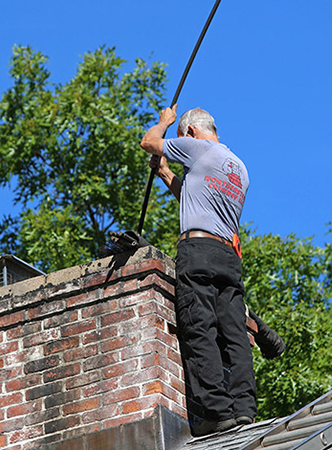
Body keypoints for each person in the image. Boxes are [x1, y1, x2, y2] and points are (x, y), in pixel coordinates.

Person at [140, 105, 257, 436]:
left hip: (198, 252)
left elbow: (148, 142)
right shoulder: (237, 167)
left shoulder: (197, 146)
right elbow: (195, 196)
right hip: (228, 256)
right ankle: (245, 409)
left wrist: (164, 122)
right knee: (234, 333)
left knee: (199, 326)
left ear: (189, 132)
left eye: (180, 137)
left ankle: (218, 412)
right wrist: (165, 173)